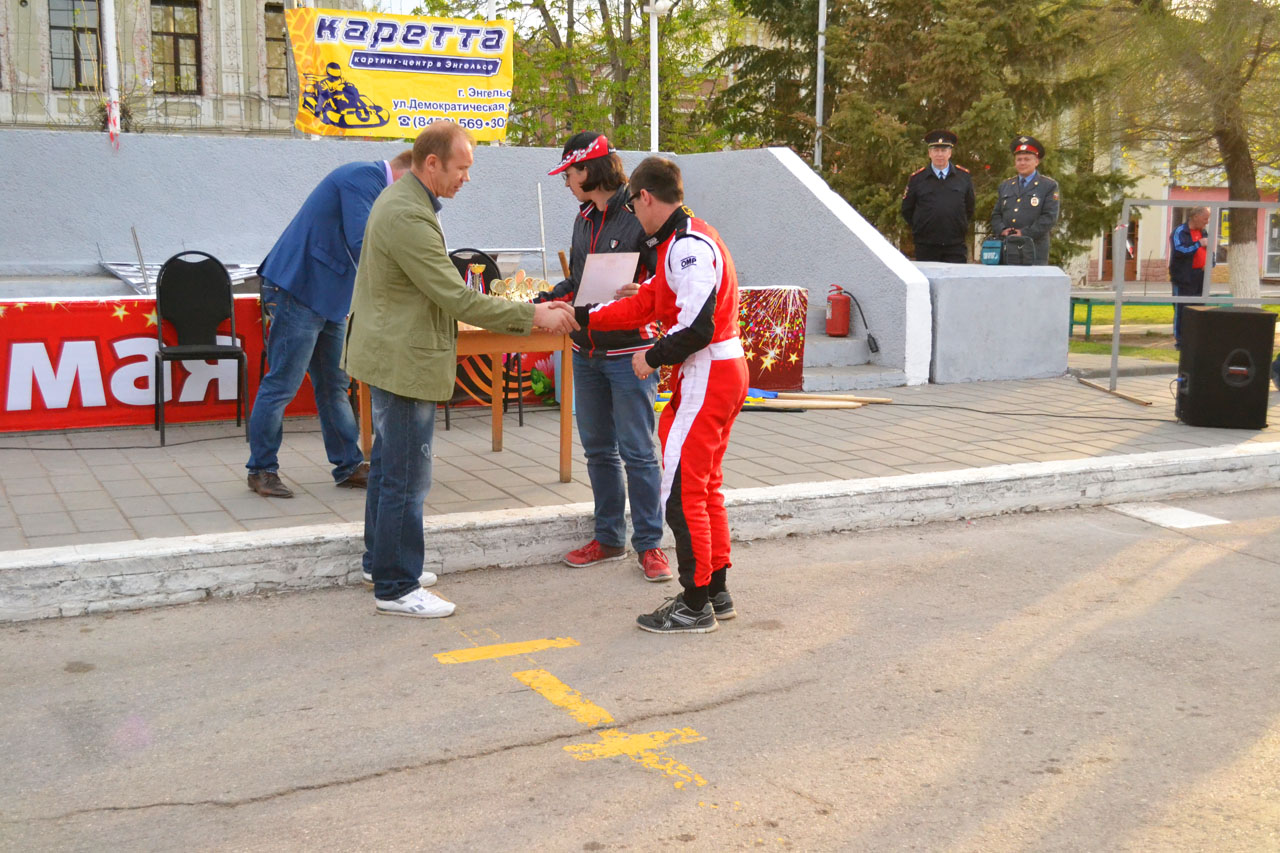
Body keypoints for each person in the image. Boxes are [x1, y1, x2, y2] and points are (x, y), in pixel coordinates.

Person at [341, 121, 579, 619]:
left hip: (392, 353)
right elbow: (454, 296)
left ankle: (380, 564)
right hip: (403, 360)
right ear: (432, 163)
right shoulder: (408, 214)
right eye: (461, 168)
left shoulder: (407, 202)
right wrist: (532, 315)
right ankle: (397, 585)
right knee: (407, 476)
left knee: (388, 468)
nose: (466, 178)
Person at [574, 156, 748, 634]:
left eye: (633, 205)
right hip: (717, 369)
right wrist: (584, 317)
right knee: (705, 486)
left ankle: (694, 603)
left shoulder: (687, 245)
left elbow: (697, 326)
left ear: (646, 198)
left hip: (709, 369)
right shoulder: (684, 237)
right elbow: (645, 303)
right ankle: (714, 591)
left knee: (681, 491)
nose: (632, 214)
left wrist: (651, 357)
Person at [536, 132, 669, 582]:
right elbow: (578, 281)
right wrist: (545, 299)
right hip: (585, 349)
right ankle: (609, 538)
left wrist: (644, 290)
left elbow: (665, 276)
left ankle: (650, 545)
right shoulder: (583, 218)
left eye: (569, 174)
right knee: (598, 451)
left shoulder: (639, 212)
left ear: (589, 169)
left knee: (638, 452)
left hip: (630, 352)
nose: (566, 183)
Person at [246, 151, 412, 499]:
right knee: (282, 384)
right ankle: (261, 469)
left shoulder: (376, 187)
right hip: (299, 288)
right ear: (407, 173)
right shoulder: (363, 179)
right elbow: (363, 242)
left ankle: (348, 466)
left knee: (334, 385)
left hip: (329, 297)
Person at [900, 129, 975, 263]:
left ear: (950, 153)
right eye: (936, 150)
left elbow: (969, 208)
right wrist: (923, 226)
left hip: (955, 245)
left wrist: (958, 225)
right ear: (929, 153)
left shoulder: (963, 177)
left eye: (943, 150)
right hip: (926, 245)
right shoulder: (917, 178)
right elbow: (907, 209)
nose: (939, 154)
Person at [989, 135, 1060, 266]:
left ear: (1036, 162)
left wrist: (1023, 233)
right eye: (1019, 159)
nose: (1022, 163)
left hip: (1034, 250)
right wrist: (1002, 230)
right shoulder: (1006, 185)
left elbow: (1049, 218)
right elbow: (996, 214)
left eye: (1027, 159)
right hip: (1007, 249)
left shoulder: (1048, 186)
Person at [1169, 206, 1211, 348]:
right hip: (1184, 277)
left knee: (1199, 307)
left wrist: (1210, 262)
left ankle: (1196, 339)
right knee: (1182, 309)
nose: (1207, 222)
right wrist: (1198, 244)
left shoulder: (1203, 232)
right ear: (1196, 217)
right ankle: (1181, 341)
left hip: (1200, 276)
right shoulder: (1180, 231)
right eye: (1205, 218)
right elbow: (1179, 250)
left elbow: (1209, 250)